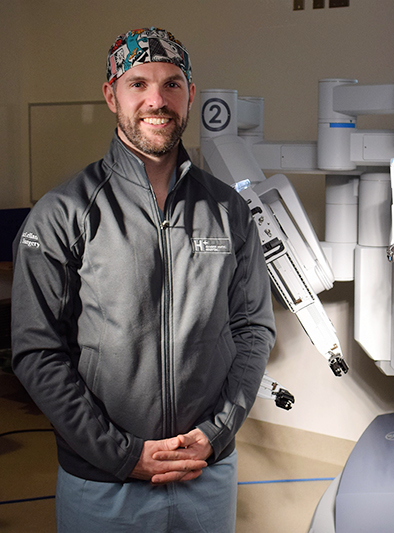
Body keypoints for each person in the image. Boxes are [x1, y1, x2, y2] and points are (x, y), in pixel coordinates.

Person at [11, 27, 276, 532]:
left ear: (191, 94)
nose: (158, 100)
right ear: (111, 95)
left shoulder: (228, 210)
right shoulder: (63, 213)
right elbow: (36, 351)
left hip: (206, 476)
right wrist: (121, 454)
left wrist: (216, 434)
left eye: (172, 84)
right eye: (139, 84)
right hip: (103, 486)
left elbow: (252, 330)